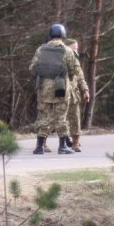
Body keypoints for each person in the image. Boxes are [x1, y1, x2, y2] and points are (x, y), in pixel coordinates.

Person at [29, 23, 82, 155]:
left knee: (43, 116)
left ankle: (39, 146)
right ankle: (62, 146)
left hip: (43, 89)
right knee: (61, 117)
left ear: (50, 34)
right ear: (63, 35)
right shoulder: (67, 51)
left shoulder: (41, 49)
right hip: (61, 89)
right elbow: (73, 70)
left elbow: (32, 68)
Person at [63, 38, 90, 152]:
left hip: (73, 94)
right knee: (57, 119)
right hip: (60, 93)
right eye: (74, 48)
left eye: (77, 48)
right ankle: (43, 143)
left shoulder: (75, 60)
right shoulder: (59, 58)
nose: (76, 50)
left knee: (75, 119)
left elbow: (80, 77)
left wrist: (85, 90)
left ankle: (75, 143)